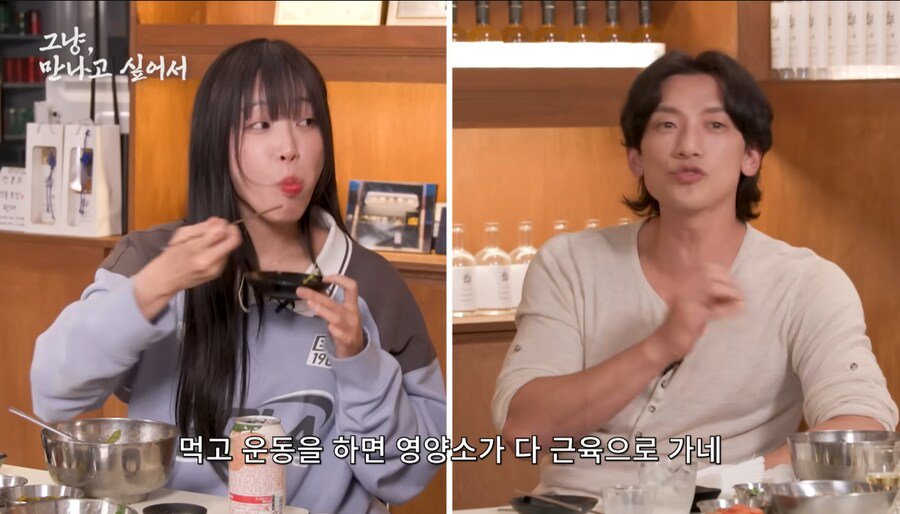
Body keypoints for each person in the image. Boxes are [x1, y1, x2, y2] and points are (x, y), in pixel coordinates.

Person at [31, 39, 445, 513]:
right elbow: (53, 393)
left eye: (307, 122)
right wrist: (155, 286)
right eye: (261, 124)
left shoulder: (369, 283)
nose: (289, 149)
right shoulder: (150, 260)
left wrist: (360, 359)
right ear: (215, 141)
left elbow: (407, 474)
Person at [492, 51, 897, 497]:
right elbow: (522, 431)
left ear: (751, 156)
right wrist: (661, 345)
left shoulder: (807, 283)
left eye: (715, 125)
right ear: (635, 157)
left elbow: (864, 427)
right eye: (667, 125)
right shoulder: (568, 263)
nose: (688, 145)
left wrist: (730, 485)